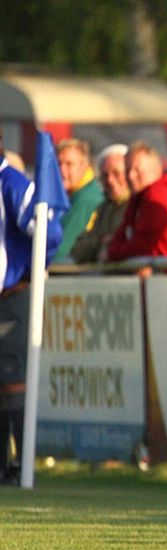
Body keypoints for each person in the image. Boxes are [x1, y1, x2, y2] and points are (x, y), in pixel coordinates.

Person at [0, 132, 63, 484]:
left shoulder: (10, 182)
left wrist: (33, 266)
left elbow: (47, 229)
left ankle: (21, 464)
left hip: (10, 294)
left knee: (11, 380)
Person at [106, 141, 167, 261]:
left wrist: (111, 252)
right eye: (128, 170)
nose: (131, 176)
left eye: (137, 169)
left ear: (156, 169)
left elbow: (141, 247)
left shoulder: (156, 196)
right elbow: (125, 234)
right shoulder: (140, 197)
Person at [70, 144, 131, 264]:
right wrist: (102, 241)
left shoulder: (139, 206)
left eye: (116, 173)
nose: (110, 180)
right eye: (105, 175)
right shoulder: (103, 208)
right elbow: (78, 251)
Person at [54, 138, 104, 261]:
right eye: (58, 163)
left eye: (69, 164)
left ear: (84, 166)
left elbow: (62, 247)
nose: (62, 170)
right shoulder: (72, 194)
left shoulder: (86, 199)